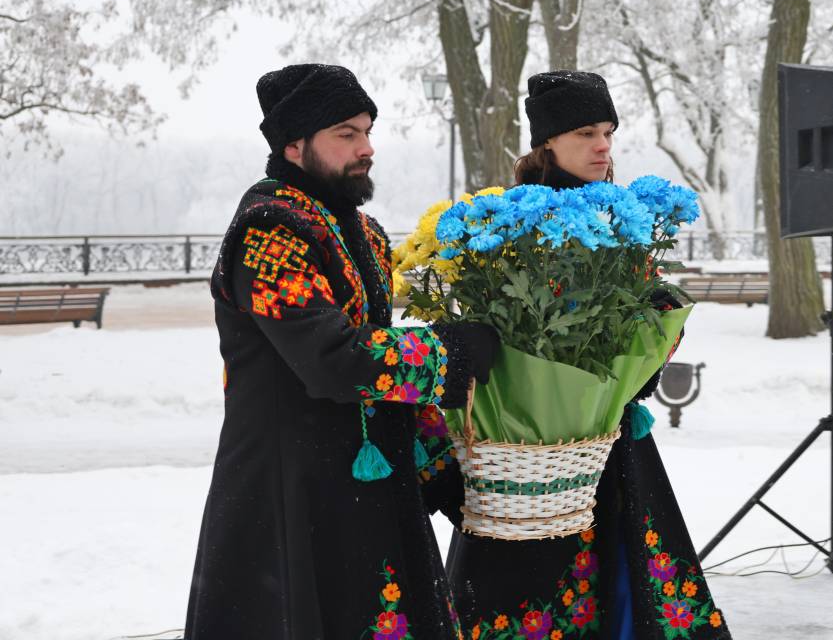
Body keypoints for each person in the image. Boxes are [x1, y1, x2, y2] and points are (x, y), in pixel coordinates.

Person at [185, 63, 497, 640]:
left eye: (368, 131)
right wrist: (447, 353)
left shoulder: (362, 228)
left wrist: (441, 467)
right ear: (294, 145)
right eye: (346, 134)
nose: (367, 148)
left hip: (370, 485)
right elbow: (333, 359)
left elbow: (377, 352)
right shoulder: (269, 231)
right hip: (288, 492)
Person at [446, 70, 733, 640]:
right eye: (585, 133)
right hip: (526, 453)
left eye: (608, 131)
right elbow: (489, 329)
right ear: (546, 142)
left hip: (608, 441)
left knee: (623, 587)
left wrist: (650, 336)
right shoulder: (509, 223)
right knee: (525, 595)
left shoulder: (626, 220)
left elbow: (648, 339)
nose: (603, 146)